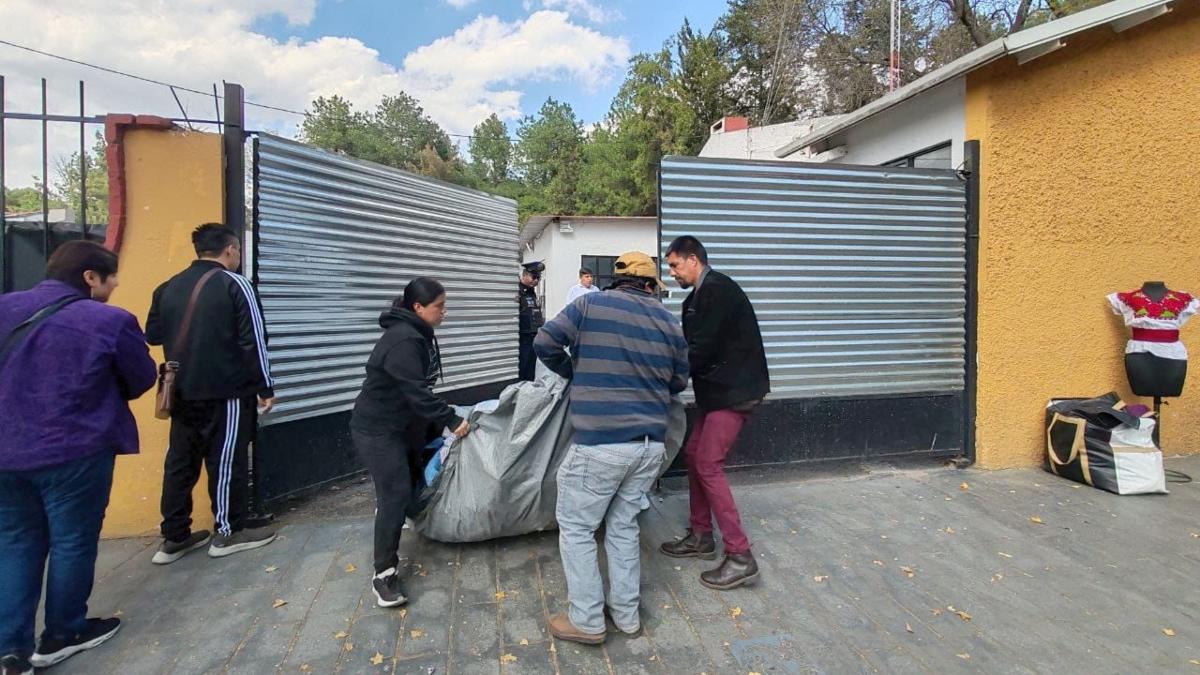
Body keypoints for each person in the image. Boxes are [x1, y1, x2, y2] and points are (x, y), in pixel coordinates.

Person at [0, 241, 157, 674]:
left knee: (15, 542)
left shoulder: (5, 307)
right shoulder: (108, 321)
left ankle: (10, 650)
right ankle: (63, 633)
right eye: (111, 278)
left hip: (6, 453)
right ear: (90, 277)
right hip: (73, 449)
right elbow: (141, 378)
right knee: (72, 540)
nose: (115, 285)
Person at [534, 251, 688, 645]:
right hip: (649, 447)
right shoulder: (669, 323)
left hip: (601, 445)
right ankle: (627, 616)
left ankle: (586, 620)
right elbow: (677, 383)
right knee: (622, 528)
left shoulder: (589, 304)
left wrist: (575, 372)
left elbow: (544, 342)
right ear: (651, 285)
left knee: (578, 528)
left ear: (614, 281)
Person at [145, 223, 277, 564]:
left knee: (180, 461)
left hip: (181, 391)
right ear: (230, 250)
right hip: (227, 390)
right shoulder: (235, 285)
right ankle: (228, 531)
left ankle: (174, 536)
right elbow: (255, 342)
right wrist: (265, 387)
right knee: (226, 458)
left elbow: (153, 335)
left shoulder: (167, 287)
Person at [351, 277, 471, 608]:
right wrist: (451, 420)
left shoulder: (416, 333)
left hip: (405, 424)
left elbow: (418, 392)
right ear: (418, 308)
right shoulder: (403, 339)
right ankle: (384, 574)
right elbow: (416, 392)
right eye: (440, 307)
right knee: (395, 493)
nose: (444, 312)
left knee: (412, 481)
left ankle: (406, 515)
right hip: (377, 429)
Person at [660, 236, 769, 590]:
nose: (672, 273)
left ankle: (740, 556)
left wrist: (663, 381)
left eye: (675, 265)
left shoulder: (717, 290)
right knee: (693, 455)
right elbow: (691, 347)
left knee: (707, 463)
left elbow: (699, 350)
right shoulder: (696, 298)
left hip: (735, 393)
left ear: (694, 260)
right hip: (716, 394)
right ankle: (701, 537)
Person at [518, 261, 545, 381]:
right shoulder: (517, 292)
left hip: (533, 336)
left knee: (531, 370)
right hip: (523, 338)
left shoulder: (531, 293)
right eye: (534, 277)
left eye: (538, 278)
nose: (536, 281)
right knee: (523, 369)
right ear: (524, 275)